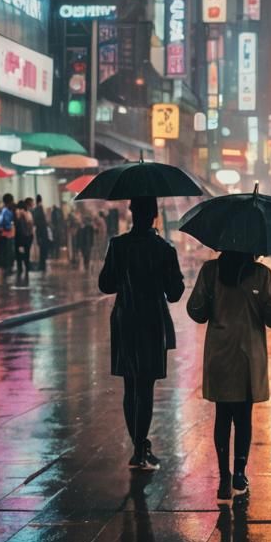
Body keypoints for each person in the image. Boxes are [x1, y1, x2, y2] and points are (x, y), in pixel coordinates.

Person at [187, 251, 271, 502]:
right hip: (248, 356)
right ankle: (239, 475)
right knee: (243, 417)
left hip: (219, 354)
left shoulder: (210, 271)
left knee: (222, 415)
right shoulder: (261, 275)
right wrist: (268, 306)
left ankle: (224, 478)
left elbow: (196, 311)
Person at [98, 196, 185, 472]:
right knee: (145, 387)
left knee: (130, 385)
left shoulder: (118, 245)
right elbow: (175, 293)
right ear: (154, 215)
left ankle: (138, 446)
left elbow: (105, 284)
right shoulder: (164, 249)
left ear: (132, 212)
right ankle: (139, 448)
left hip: (125, 319)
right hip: (152, 321)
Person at [0, 194, 16, 275]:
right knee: (9, 253)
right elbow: (7, 224)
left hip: (3, 235)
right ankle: (8, 269)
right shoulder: (7, 211)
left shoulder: (2, 210)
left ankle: (5, 269)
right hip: (8, 235)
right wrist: (11, 224)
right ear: (10, 201)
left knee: (5, 253)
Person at [14, 200, 33, 279]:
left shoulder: (17, 212)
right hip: (28, 236)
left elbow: (17, 224)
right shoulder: (28, 213)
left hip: (19, 236)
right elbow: (31, 224)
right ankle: (27, 268)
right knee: (27, 253)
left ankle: (20, 268)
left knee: (19, 253)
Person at [32, 195, 49, 272]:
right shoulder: (43, 208)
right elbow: (46, 220)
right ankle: (43, 264)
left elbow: (35, 221)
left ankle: (42, 265)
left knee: (41, 248)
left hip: (40, 231)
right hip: (44, 230)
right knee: (43, 248)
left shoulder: (37, 209)